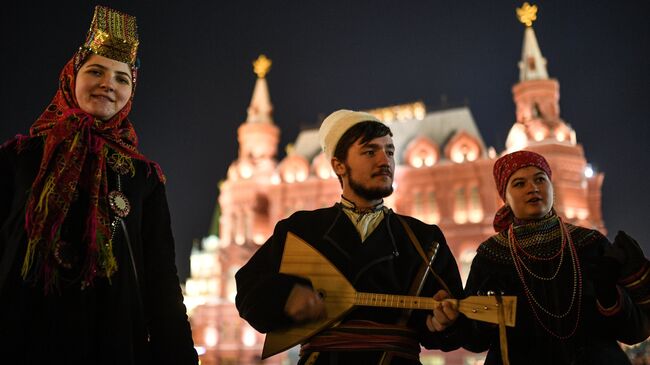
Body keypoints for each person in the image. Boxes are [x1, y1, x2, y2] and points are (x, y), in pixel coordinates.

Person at [0, 6, 198, 364]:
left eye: (122, 78)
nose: (109, 84)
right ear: (71, 78)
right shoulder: (20, 158)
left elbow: (162, 284)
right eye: (96, 71)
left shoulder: (144, 179)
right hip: (21, 335)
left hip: (113, 340)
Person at [235, 109, 465, 364]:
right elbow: (248, 291)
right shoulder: (301, 230)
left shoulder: (423, 238)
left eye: (389, 151)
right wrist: (285, 297)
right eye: (370, 151)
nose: (384, 160)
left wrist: (442, 323)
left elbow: (455, 329)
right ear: (339, 165)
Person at [463, 150, 650, 364]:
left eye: (540, 179)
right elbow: (474, 339)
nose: (532, 188)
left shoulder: (590, 243)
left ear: (552, 187)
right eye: (519, 184)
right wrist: (464, 317)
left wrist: (608, 295)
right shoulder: (492, 256)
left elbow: (635, 331)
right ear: (504, 198)